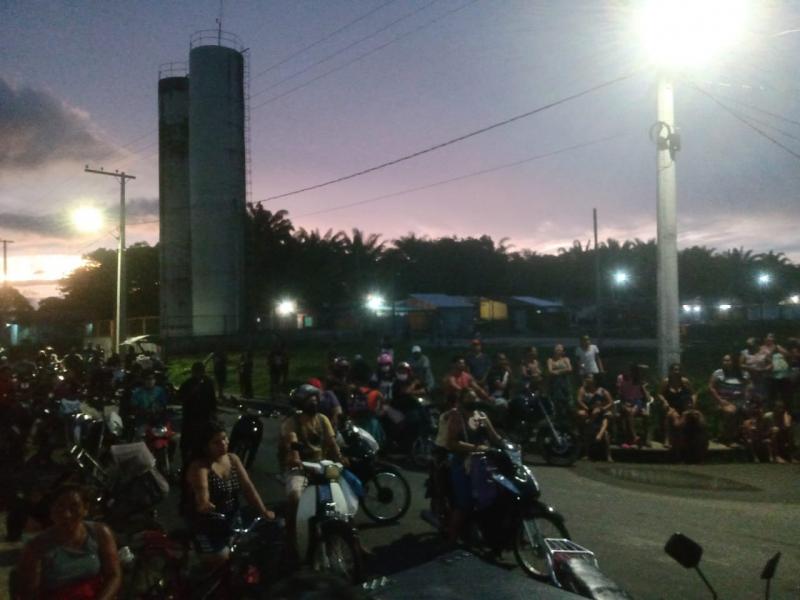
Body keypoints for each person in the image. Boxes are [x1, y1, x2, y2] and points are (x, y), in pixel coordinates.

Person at [184, 421, 275, 563]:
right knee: (220, 558)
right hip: (207, 524)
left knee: (242, 553)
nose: (223, 443)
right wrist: (204, 503)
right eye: (216, 442)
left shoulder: (233, 459)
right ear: (205, 446)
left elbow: (247, 487)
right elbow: (202, 489)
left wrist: (263, 510)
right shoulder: (200, 466)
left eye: (224, 438)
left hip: (232, 519)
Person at [16, 484, 121, 600]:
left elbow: (113, 575)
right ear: (52, 510)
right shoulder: (37, 546)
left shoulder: (99, 533)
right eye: (60, 506)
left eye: (74, 507)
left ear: (85, 509)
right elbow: (30, 593)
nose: (67, 514)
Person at [280, 384, 346, 560]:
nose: (315, 402)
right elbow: (291, 442)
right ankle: (291, 538)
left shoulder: (323, 419)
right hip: (299, 468)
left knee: (342, 499)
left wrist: (340, 458)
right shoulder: (291, 422)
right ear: (301, 403)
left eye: (316, 398)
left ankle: (353, 541)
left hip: (322, 466)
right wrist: (294, 455)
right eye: (310, 399)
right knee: (295, 496)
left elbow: (332, 443)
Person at [444, 388, 502, 543]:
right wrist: (476, 448)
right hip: (462, 462)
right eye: (469, 398)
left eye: (474, 398)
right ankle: (451, 539)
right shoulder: (457, 417)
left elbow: (495, 438)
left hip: (482, 462)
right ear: (462, 400)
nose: (473, 401)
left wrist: (509, 446)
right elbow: (451, 443)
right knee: (464, 503)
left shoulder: (481, 416)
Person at [658, 363, 707, 463]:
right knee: (671, 415)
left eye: (678, 370)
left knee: (696, 416)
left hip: (683, 405)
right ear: (670, 371)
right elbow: (660, 394)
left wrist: (693, 403)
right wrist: (664, 401)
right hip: (671, 406)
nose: (677, 372)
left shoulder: (684, 381)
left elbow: (693, 393)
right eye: (674, 370)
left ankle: (699, 440)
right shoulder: (666, 382)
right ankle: (667, 438)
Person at [178, 362, 218, 466]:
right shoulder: (188, 383)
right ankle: (186, 463)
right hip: (190, 417)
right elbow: (180, 397)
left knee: (203, 442)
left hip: (204, 417)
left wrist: (213, 414)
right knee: (186, 443)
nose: (199, 375)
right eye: (197, 372)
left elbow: (212, 400)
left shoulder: (208, 383)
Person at [708, 354, 752, 446]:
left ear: (734, 362)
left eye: (728, 360)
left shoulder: (743, 374)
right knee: (731, 412)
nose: (725, 362)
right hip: (724, 400)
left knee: (748, 411)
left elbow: (748, 386)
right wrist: (720, 400)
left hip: (740, 400)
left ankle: (741, 436)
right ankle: (729, 438)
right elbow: (711, 387)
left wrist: (746, 398)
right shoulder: (718, 373)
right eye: (724, 360)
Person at [576, 375, 614, 460]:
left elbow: (611, 402)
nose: (587, 379)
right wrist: (587, 408)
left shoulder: (602, 391)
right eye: (587, 377)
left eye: (589, 377)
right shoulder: (583, 389)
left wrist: (602, 409)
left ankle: (608, 455)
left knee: (606, 429)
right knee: (583, 419)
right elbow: (579, 400)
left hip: (600, 412)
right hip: (589, 411)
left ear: (594, 380)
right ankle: (586, 453)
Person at [617, 364, 652, 448]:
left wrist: (643, 387)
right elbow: (620, 394)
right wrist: (625, 403)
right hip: (625, 402)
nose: (629, 373)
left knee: (631, 412)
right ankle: (634, 438)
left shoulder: (638, 380)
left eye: (631, 371)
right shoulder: (621, 379)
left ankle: (631, 439)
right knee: (628, 411)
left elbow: (647, 398)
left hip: (637, 402)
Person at [740, 337, 771, 403]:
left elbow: (770, 364)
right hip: (749, 378)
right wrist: (750, 368)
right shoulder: (745, 352)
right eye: (747, 345)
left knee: (762, 398)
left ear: (756, 344)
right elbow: (740, 364)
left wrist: (764, 369)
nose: (748, 347)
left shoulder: (765, 352)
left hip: (761, 378)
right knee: (749, 397)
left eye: (750, 345)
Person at [547, 344, 573, 419]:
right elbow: (550, 371)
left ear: (562, 352)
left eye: (559, 350)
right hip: (555, 385)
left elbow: (570, 369)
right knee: (557, 403)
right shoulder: (550, 360)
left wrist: (558, 371)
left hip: (565, 384)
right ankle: (558, 418)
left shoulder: (566, 359)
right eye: (556, 349)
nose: (557, 351)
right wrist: (564, 370)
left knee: (567, 402)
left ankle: (568, 418)